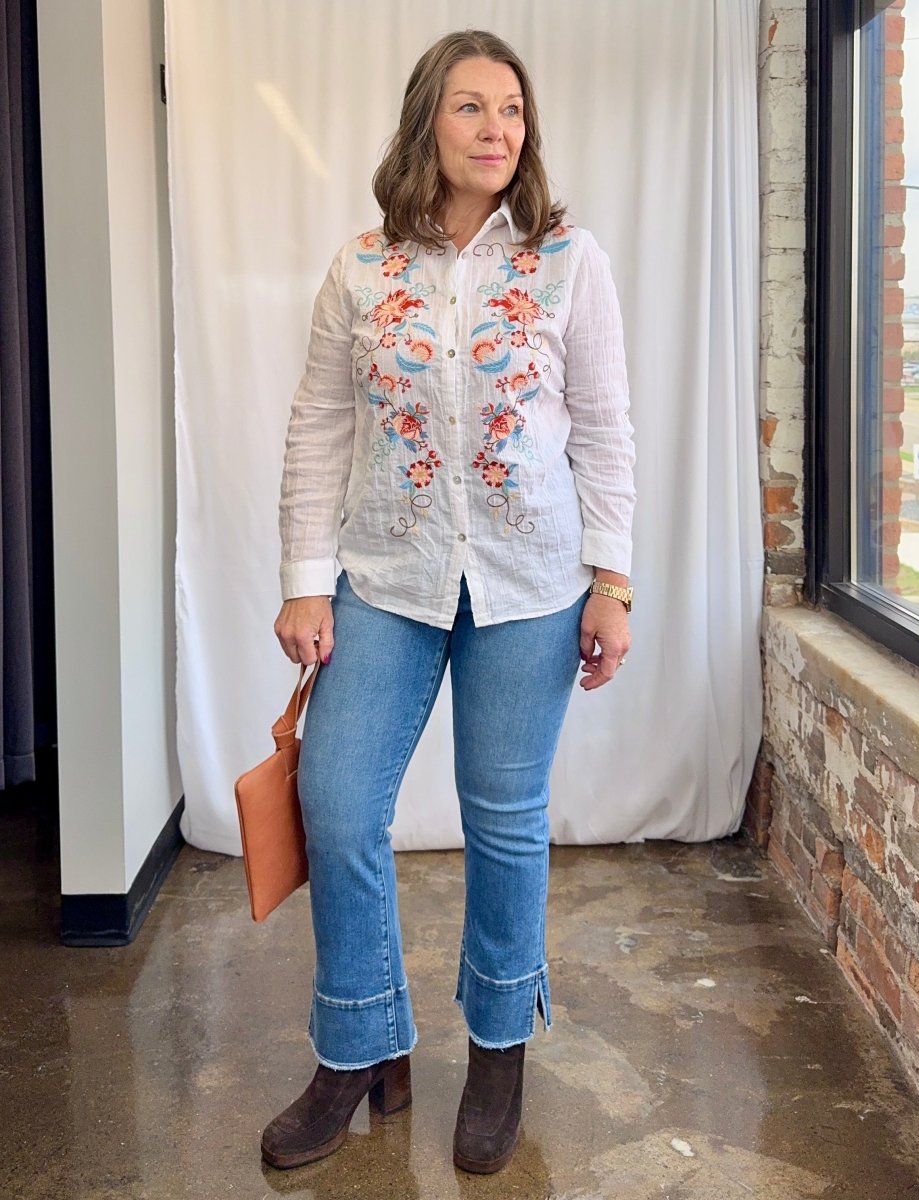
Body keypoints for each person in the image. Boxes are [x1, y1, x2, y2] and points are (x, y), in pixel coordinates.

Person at [264, 28, 636, 1175]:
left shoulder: (569, 263)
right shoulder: (360, 270)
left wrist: (613, 584)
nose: (497, 130)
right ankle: (360, 1046)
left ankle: (496, 1051)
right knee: (336, 800)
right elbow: (319, 429)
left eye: (512, 111)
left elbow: (609, 429)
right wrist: (302, 582)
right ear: (429, 121)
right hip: (387, 575)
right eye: (472, 108)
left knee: (505, 821)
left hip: (532, 582)